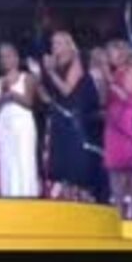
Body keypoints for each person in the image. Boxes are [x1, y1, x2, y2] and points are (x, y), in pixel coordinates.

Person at [41, 31, 101, 202]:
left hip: (74, 118)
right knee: (61, 166)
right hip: (60, 117)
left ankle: (83, 199)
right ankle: (66, 199)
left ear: (69, 45)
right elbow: (49, 94)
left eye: (59, 43)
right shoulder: (54, 65)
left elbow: (67, 90)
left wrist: (50, 72)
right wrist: (40, 76)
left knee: (75, 164)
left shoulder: (76, 60)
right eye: (53, 43)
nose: (55, 47)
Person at [0, 42, 39, 197]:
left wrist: (12, 95)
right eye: (2, 57)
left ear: (16, 58)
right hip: (4, 125)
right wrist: (2, 97)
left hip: (23, 125)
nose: (5, 60)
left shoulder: (27, 78)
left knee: (24, 161)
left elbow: (29, 102)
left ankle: (27, 196)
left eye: (8, 56)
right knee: (7, 162)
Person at [101, 40, 132, 218]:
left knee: (131, 167)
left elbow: (126, 96)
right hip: (112, 123)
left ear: (123, 54)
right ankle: (118, 212)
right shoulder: (114, 74)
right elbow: (105, 99)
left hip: (125, 120)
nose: (110, 57)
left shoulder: (131, 71)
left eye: (112, 52)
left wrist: (110, 81)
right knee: (114, 169)